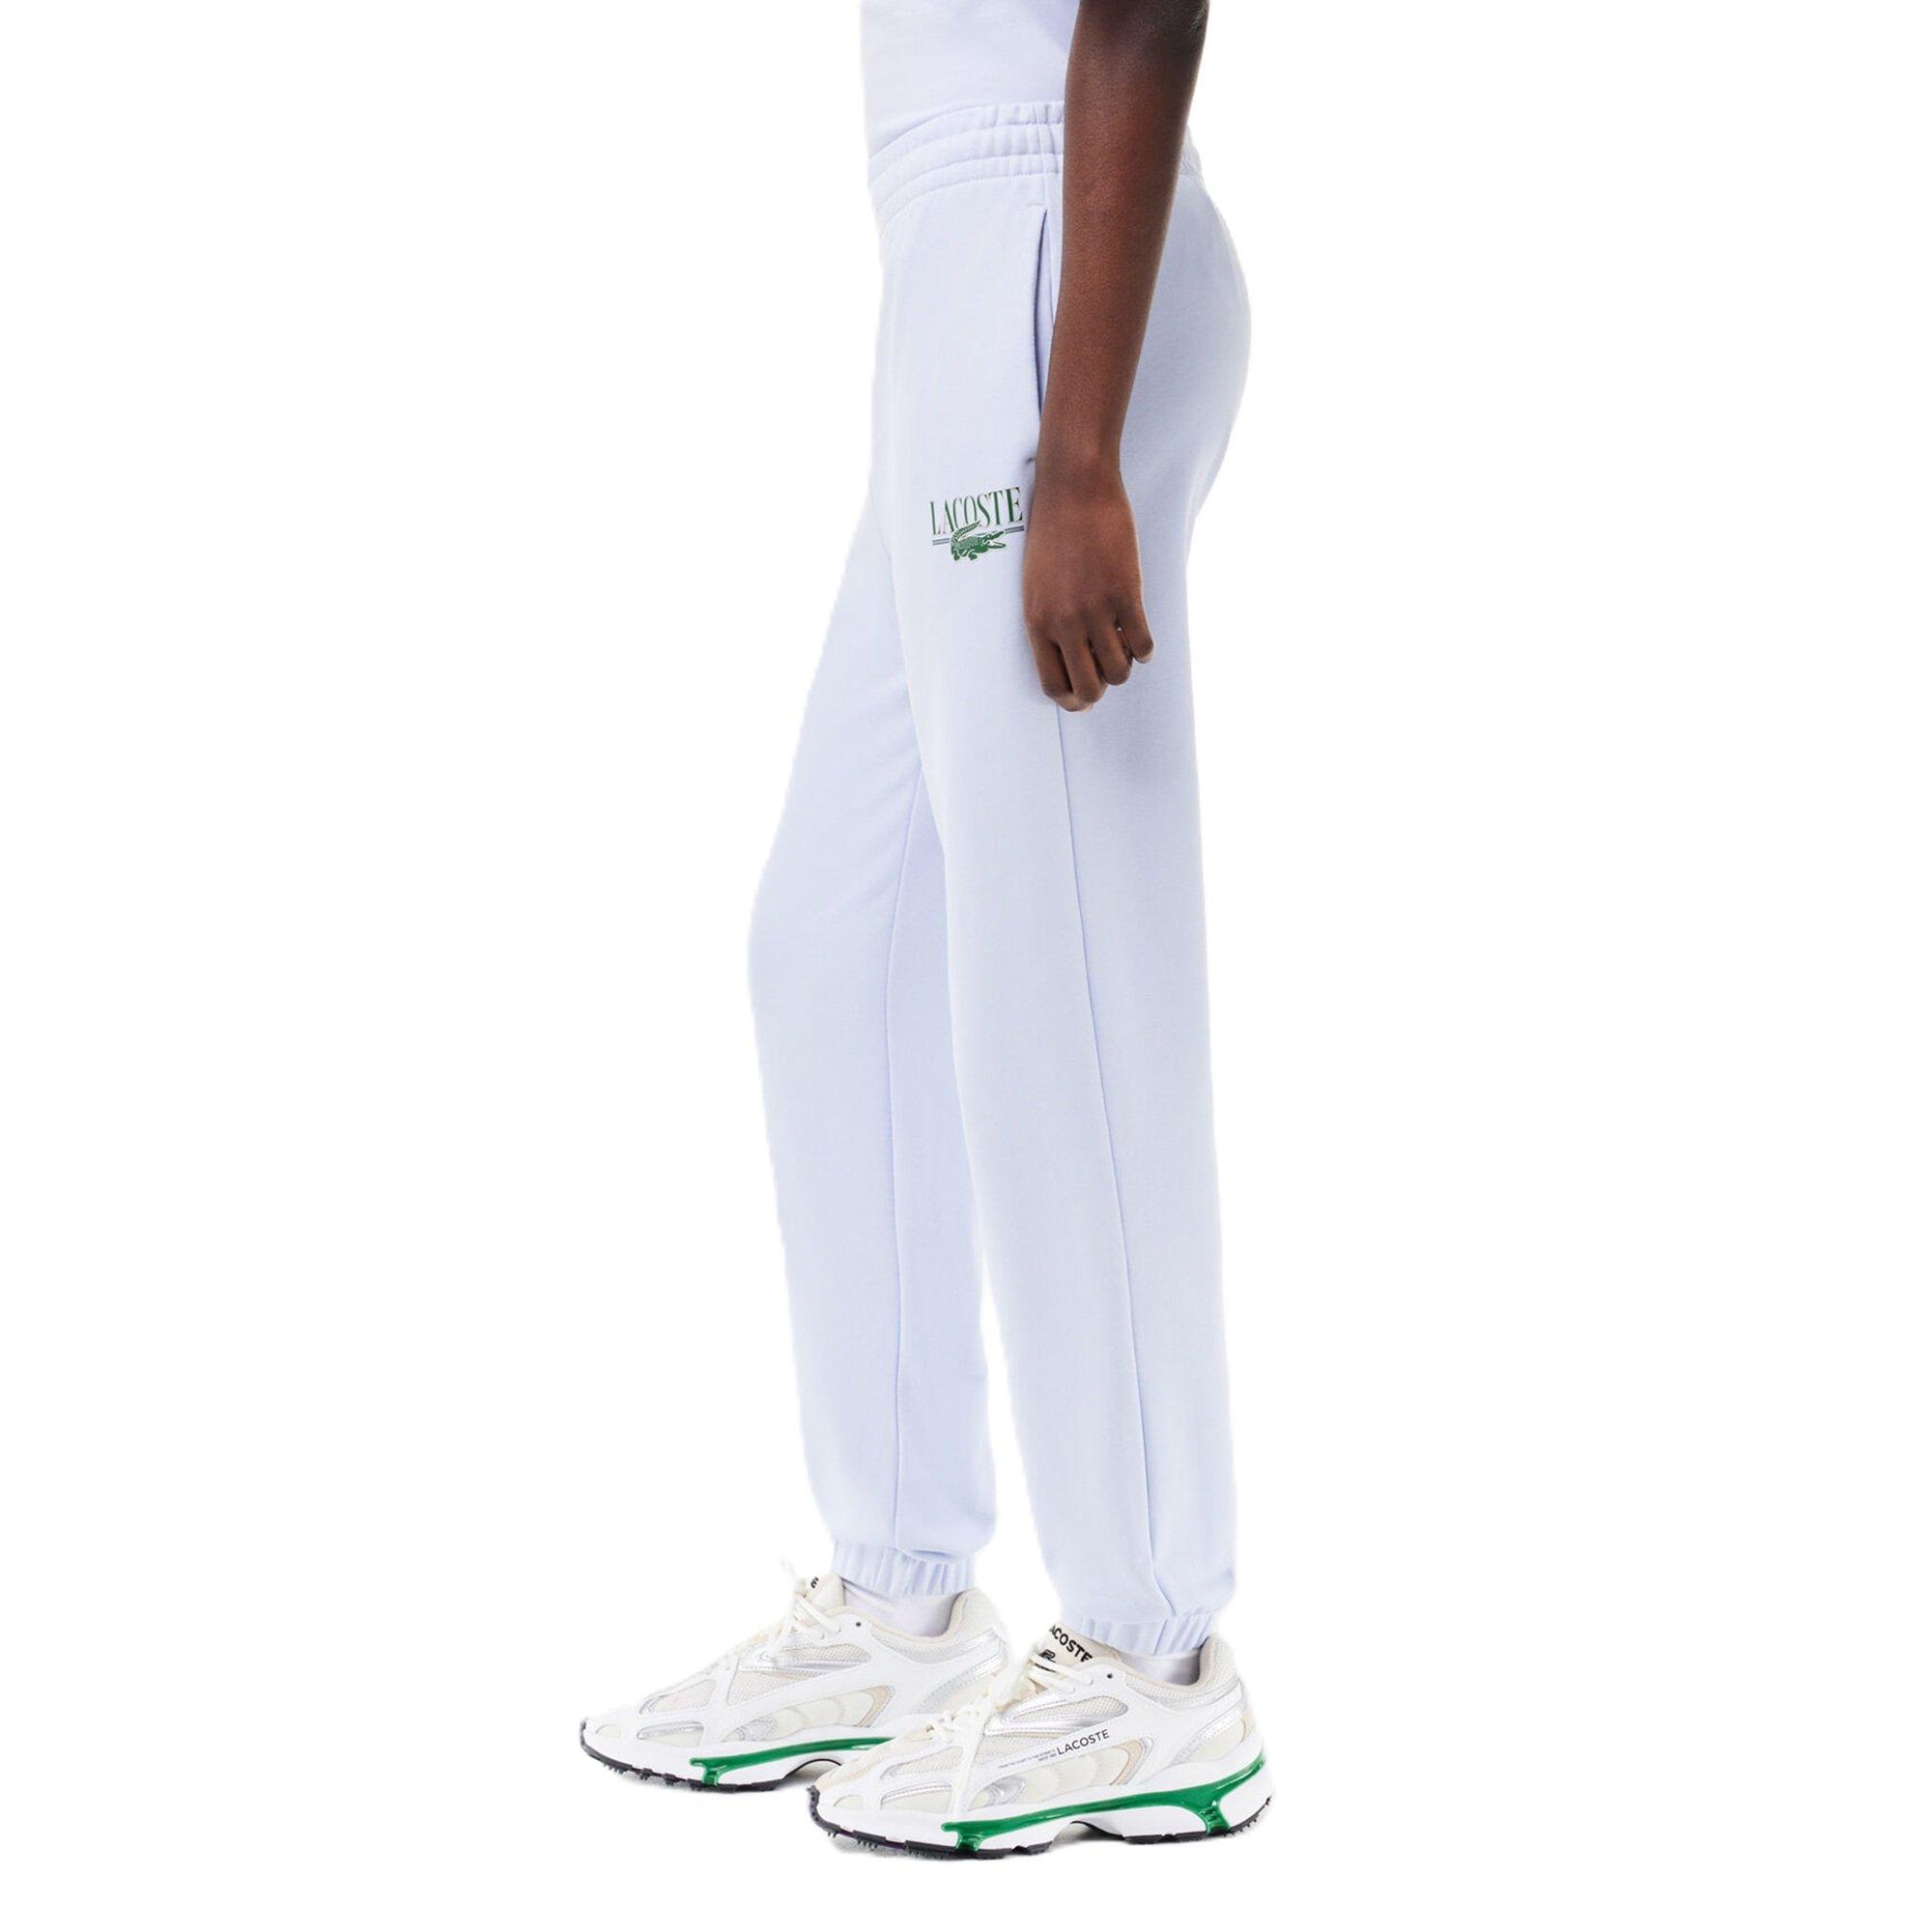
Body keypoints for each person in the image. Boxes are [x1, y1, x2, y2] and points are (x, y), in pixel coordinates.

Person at [582, 0, 1267, 1854]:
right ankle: (898, 1602)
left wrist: (1077, 451)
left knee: (1065, 972)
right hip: (961, 280)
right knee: (833, 943)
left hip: (1052, 262)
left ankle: (1153, 1660)